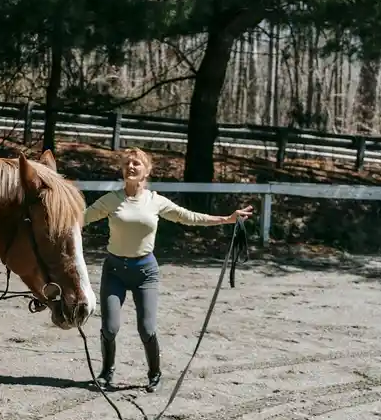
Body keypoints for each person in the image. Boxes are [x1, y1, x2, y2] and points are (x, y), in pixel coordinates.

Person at [82, 147, 253, 393]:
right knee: (109, 328)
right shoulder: (111, 200)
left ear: (146, 171)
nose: (131, 167)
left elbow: (188, 217)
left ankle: (154, 373)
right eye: (127, 163)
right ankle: (106, 372)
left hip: (145, 273)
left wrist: (226, 219)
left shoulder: (155, 201)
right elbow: (81, 218)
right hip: (115, 271)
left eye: (136, 163)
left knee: (147, 328)